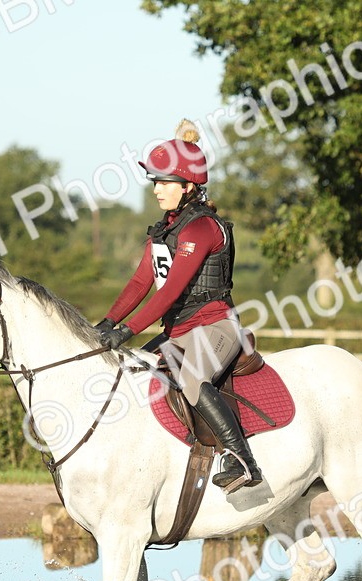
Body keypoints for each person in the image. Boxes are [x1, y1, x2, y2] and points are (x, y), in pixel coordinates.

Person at [95, 120, 262, 494]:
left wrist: (126, 331)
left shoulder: (201, 229)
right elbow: (141, 282)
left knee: (190, 379)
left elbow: (168, 293)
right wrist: (106, 322)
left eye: (164, 183)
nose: (156, 190)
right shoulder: (164, 230)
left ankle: (243, 461)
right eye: (154, 182)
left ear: (188, 187)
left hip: (216, 327)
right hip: (179, 333)